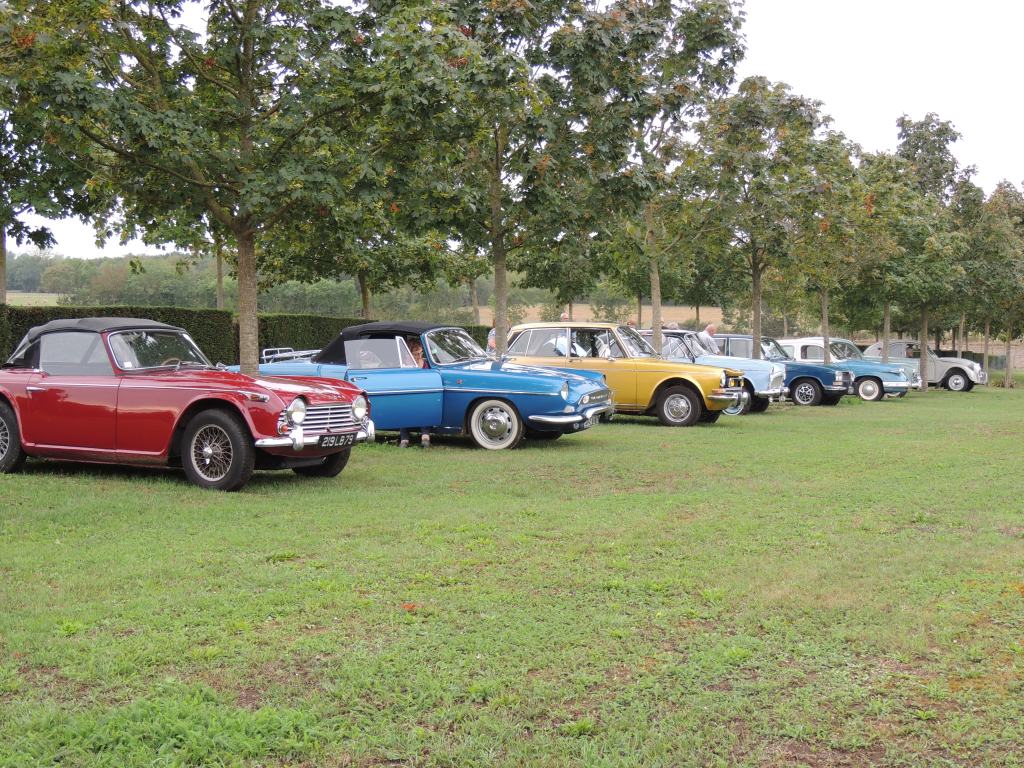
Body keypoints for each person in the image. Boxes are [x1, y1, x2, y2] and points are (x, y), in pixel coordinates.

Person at [399, 338, 432, 448]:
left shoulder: (426, 364)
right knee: (403, 406)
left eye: (420, 353)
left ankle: (425, 436)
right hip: (409, 394)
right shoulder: (404, 366)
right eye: (416, 354)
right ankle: (404, 438)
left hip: (424, 394)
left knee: (425, 404)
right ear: (409, 354)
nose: (419, 356)